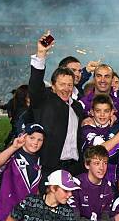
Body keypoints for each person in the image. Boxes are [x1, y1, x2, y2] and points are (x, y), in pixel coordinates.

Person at [28, 32, 84, 176]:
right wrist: (41, 54)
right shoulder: (45, 100)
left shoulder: (77, 107)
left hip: (74, 167)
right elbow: (35, 85)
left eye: (69, 85)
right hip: (50, 167)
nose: (66, 88)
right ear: (53, 86)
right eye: (62, 84)